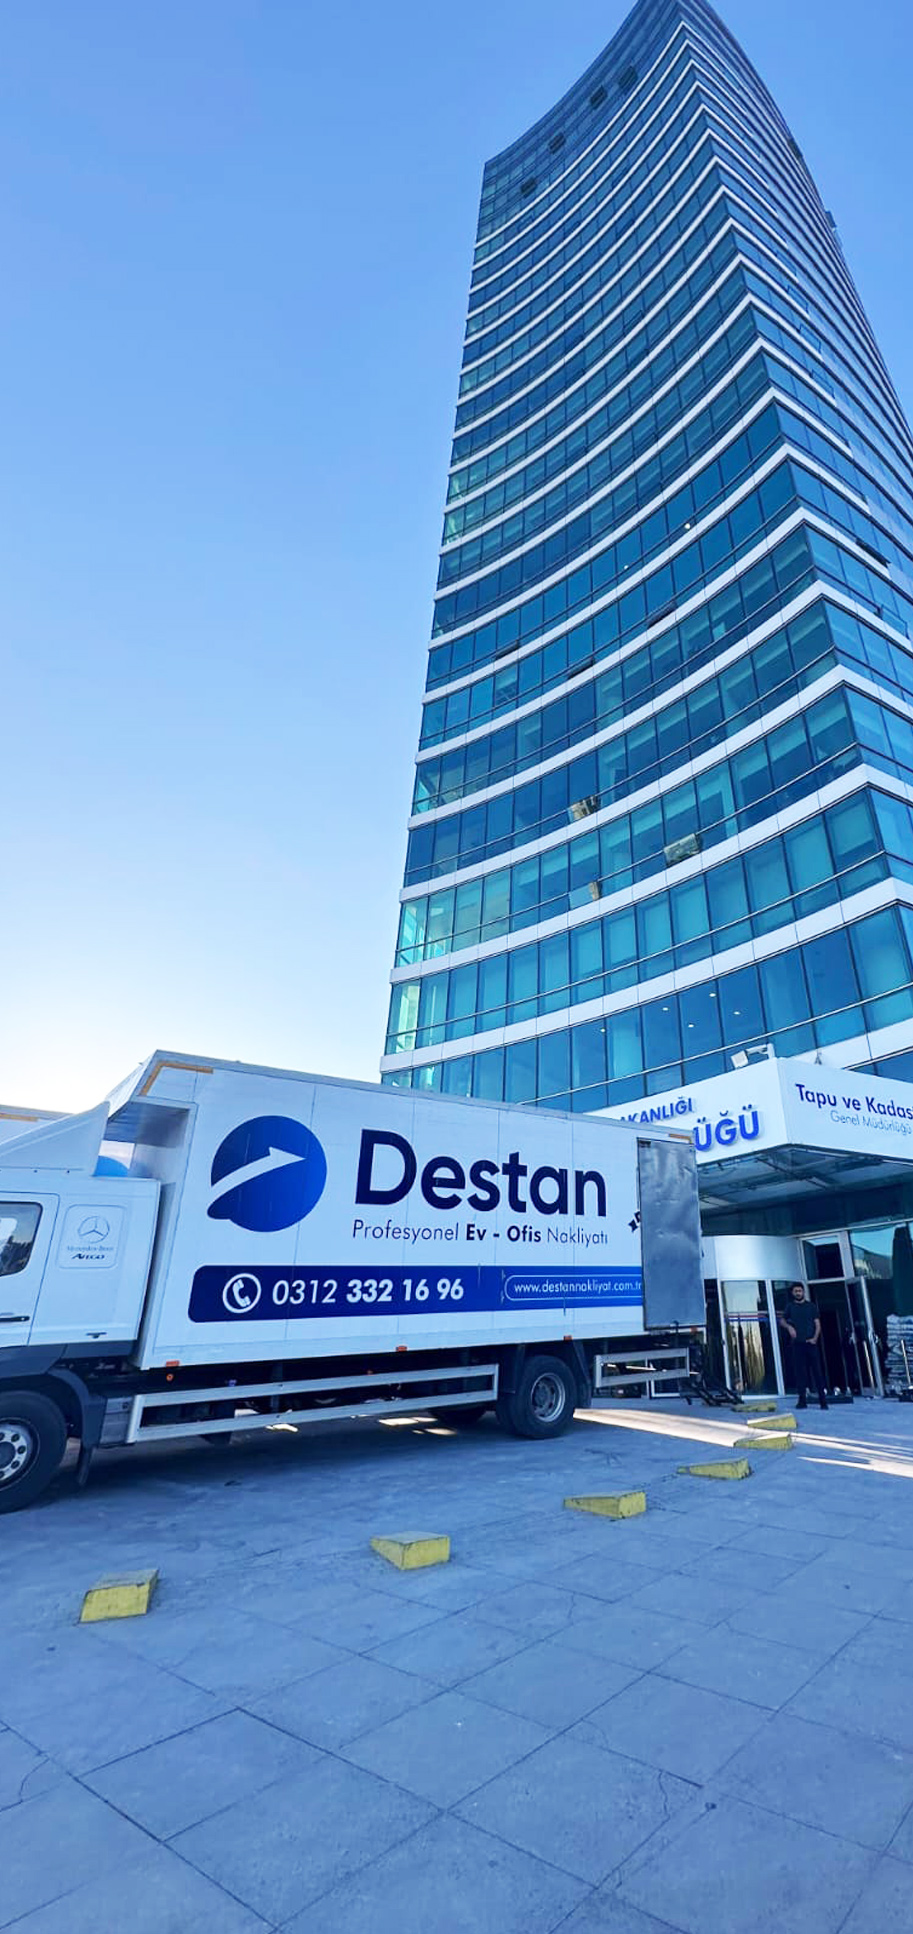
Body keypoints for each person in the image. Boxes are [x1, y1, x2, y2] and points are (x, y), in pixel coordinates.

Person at [779, 1282, 828, 1410]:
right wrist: (789, 1327)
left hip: (811, 1344)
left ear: (803, 1292)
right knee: (800, 1373)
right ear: (792, 1293)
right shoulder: (790, 1307)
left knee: (817, 1372)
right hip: (797, 1344)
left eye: (800, 1291)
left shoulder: (811, 1307)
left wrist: (815, 1338)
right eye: (796, 1291)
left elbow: (817, 1324)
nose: (798, 1293)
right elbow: (782, 1320)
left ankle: (823, 1401)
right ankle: (802, 1401)